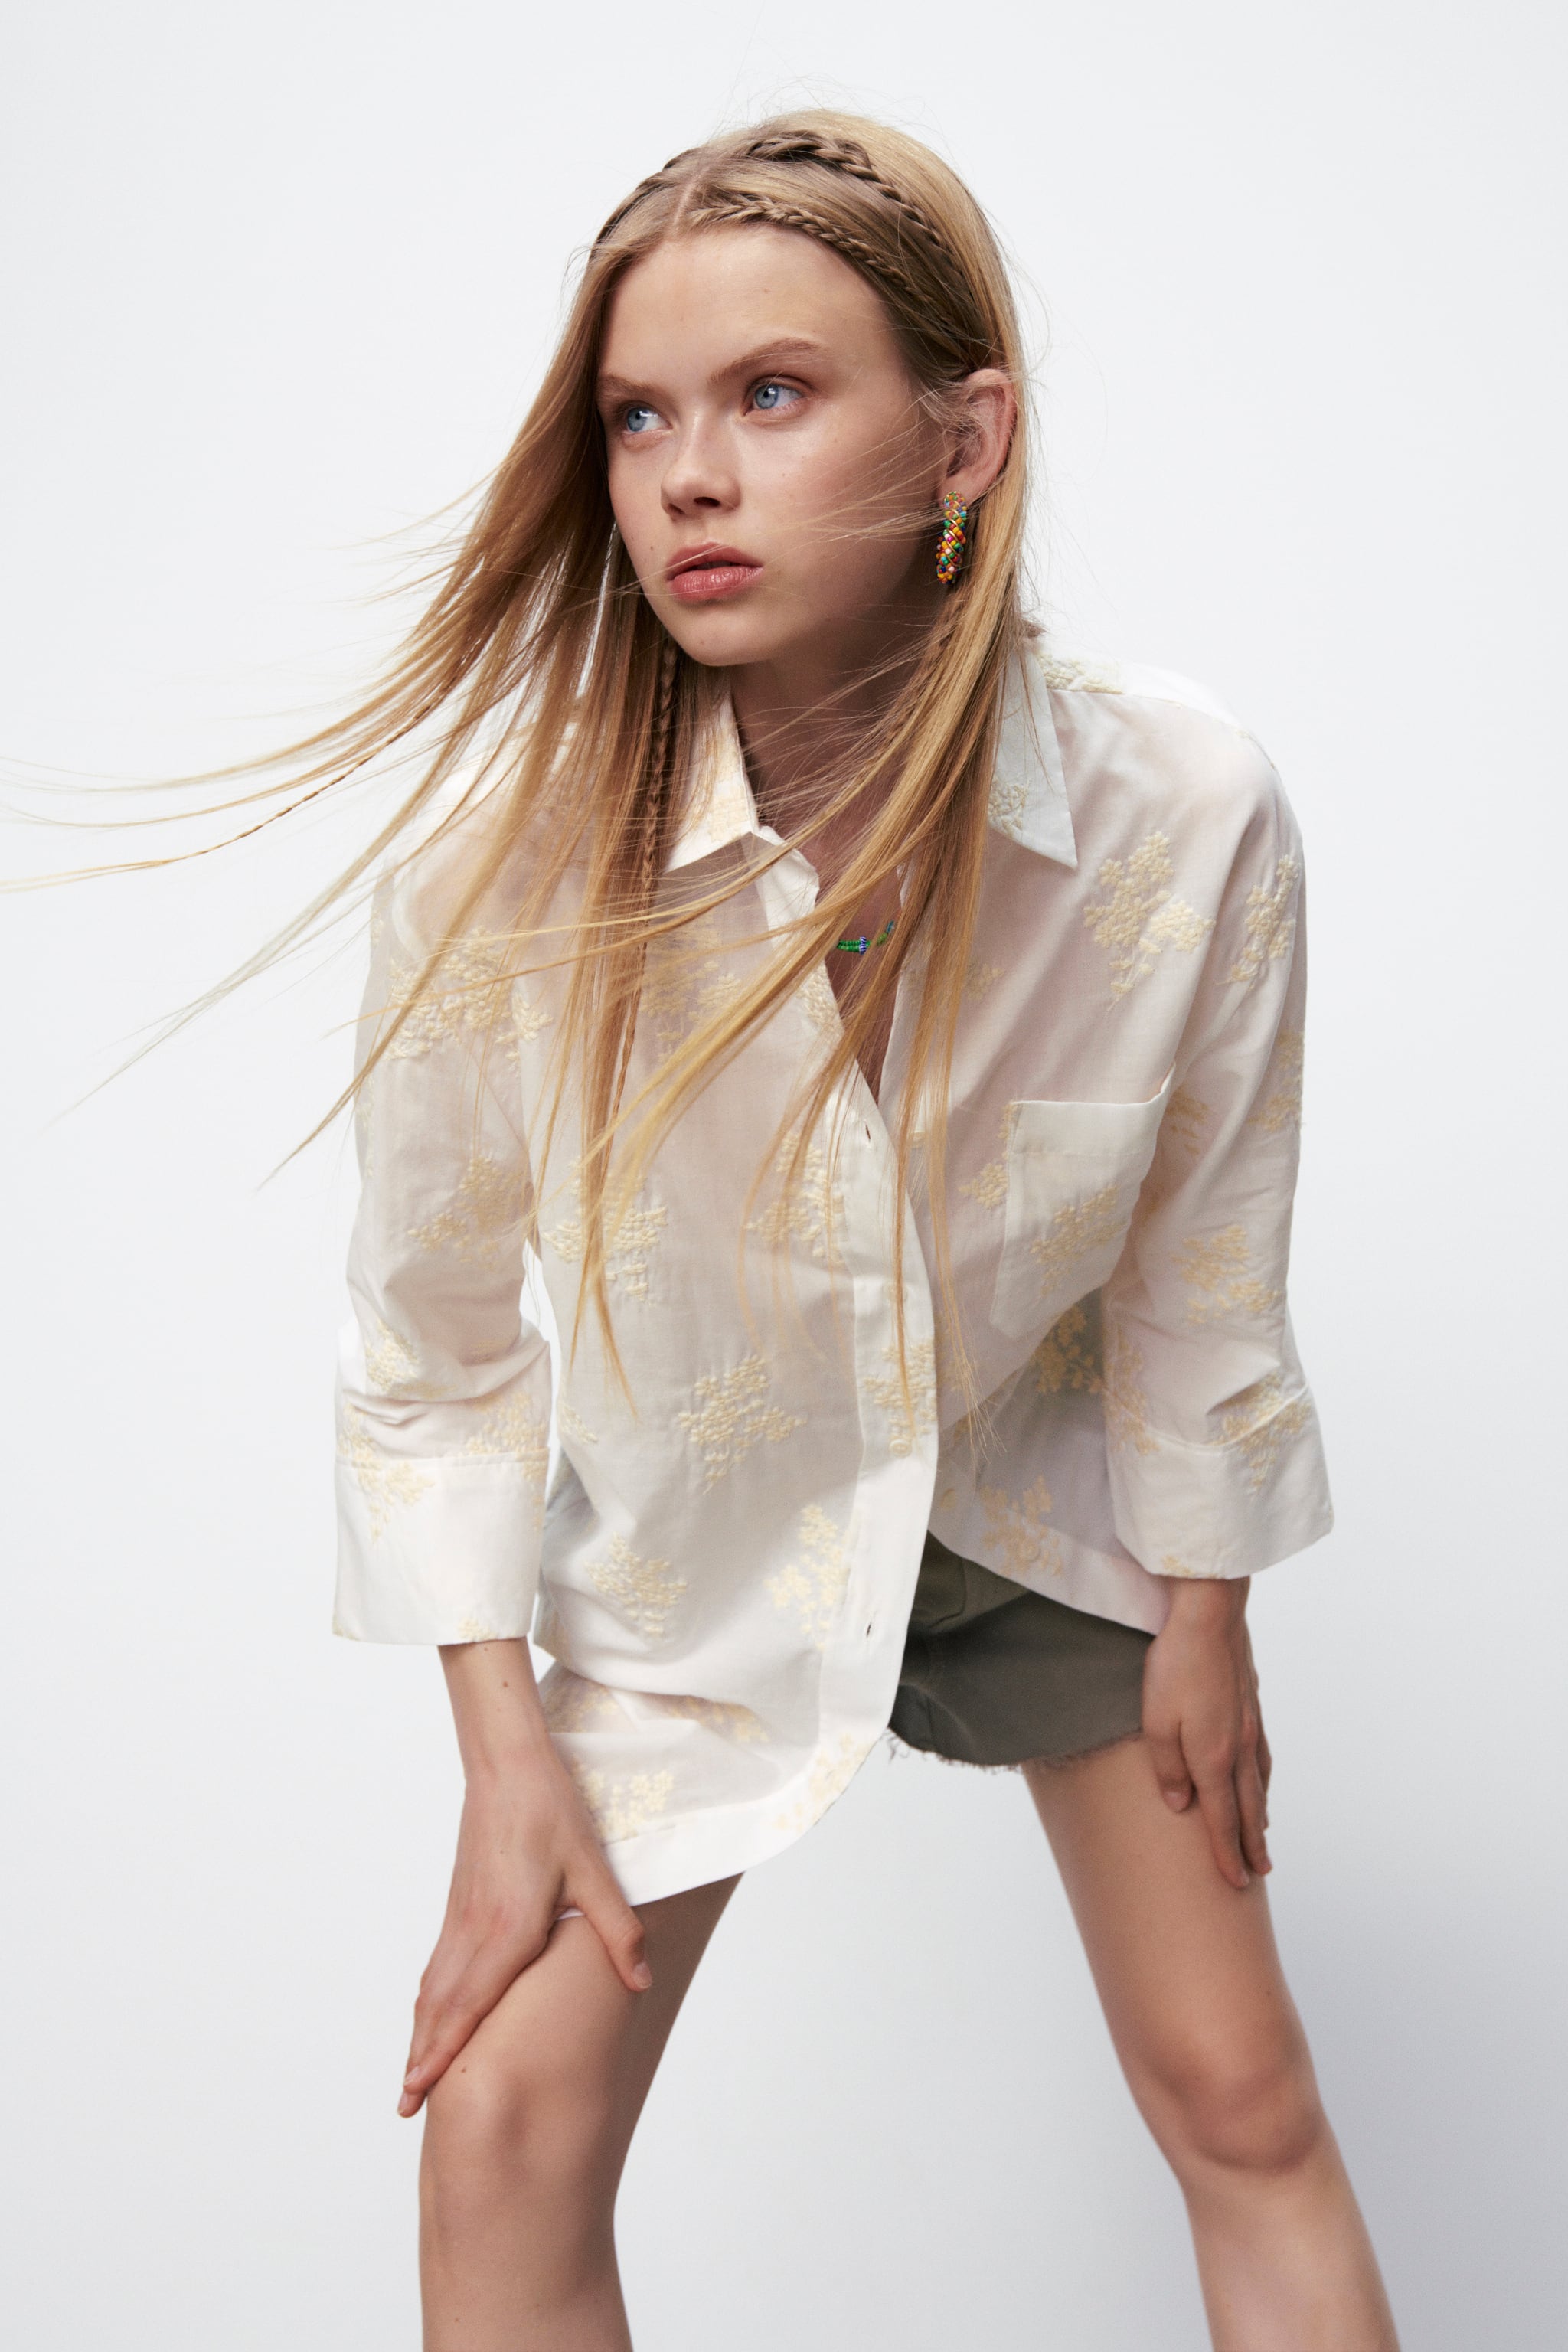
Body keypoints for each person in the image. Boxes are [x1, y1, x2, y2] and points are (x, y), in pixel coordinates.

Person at [322, 113, 1400, 2350]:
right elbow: (431, 1351)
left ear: (961, 444)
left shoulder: (1185, 812)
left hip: (1040, 1484)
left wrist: (1206, 1608)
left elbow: (1205, 1251)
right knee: (500, 2136)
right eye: (641, 419)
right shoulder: (505, 883)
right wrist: (502, 1752)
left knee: (1240, 2091)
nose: (691, 478)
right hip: (704, 1547)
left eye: (774, 394)